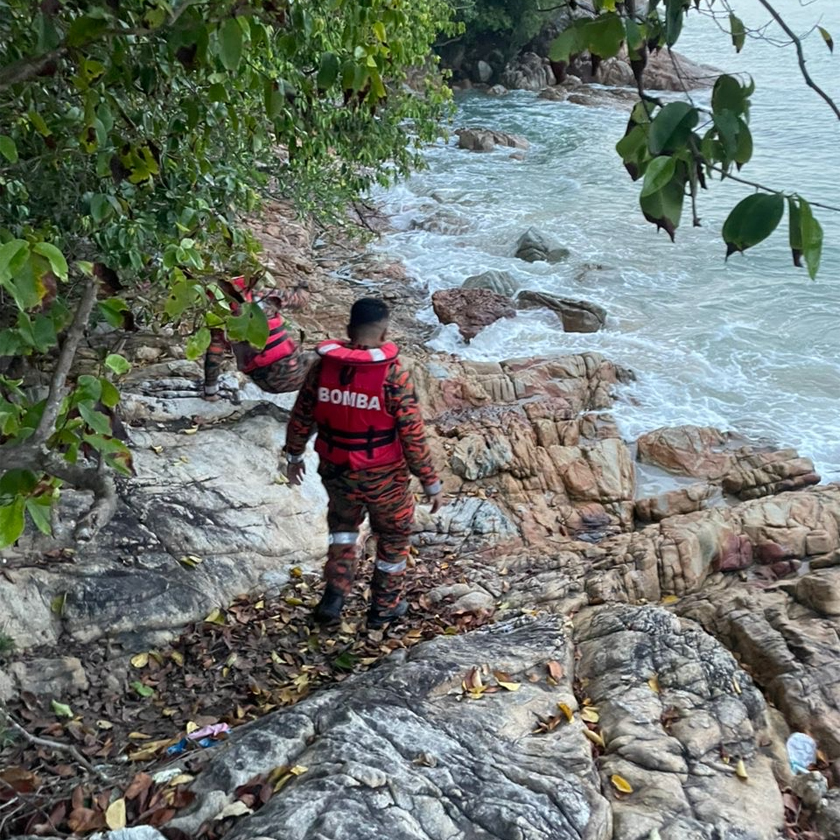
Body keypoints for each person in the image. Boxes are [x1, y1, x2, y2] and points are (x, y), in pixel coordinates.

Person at [284, 297, 443, 628]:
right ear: (385, 331)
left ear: (347, 329)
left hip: (336, 471)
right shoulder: (392, 375)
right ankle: (384, 607)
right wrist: (429, 480)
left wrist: (294, 454)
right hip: (385, 479)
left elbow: (302, 415)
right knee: (395, 535)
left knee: (342, 530)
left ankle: (334, 596)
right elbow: (412, 434)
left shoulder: (323, 368)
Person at [203, 276, 314, 400]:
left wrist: (210, 392)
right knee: (324, 354)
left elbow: (213, 358)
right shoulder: (263, 297)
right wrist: (303, 286)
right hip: (292, 373)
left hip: (262, 381)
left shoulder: (220, 319)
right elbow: (299, 300)